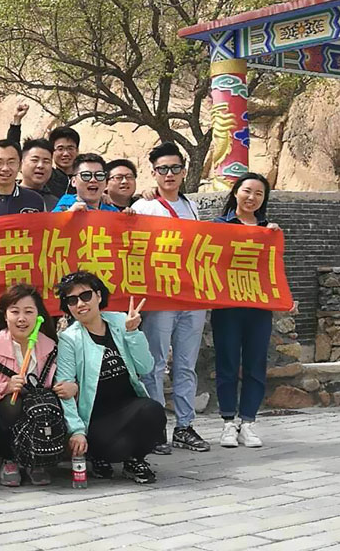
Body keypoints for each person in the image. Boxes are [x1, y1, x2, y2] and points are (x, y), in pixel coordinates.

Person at [131, 142, 210, 454]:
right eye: (163, 169)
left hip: (191, 298)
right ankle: (154, 428)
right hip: (160, 297)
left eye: (175, 168)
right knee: (154, 364)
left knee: (186, 365)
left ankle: (185, 426)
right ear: (153, 173)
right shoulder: (143, 207)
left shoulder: (192, 207)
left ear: (184, 171)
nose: (169, 174)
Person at [55, 271, 165, 484]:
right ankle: (100, 456)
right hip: (96, 416)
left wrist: (133, 333)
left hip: (129, 406)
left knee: (152, 411)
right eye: (72, 300)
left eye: (85, 296)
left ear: (98, 295)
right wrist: (77, 431)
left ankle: (135, 460)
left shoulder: (121, 321)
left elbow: (146, 366)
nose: (80, 304)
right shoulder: (69, 339)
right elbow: (64, 389)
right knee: (114, 448)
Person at [0, 284, 77, 487]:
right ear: (5, 315)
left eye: (28, 312)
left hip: (40, 418)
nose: (21, 318)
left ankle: (38, 460)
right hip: (3, 419)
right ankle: (8, 458)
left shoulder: (51, 346)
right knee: (12, 404)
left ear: (38, 315)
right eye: (15, 312)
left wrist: (73, 388)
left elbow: (66, 380)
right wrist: (5, 388)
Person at [212, 173, 281, 449]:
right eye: (247, 191)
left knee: (255, 365)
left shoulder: (268, 230)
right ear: (235, 192)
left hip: (258, 307)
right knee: (227, 363)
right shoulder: (218, 227)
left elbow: (275, 270)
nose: (251, 197)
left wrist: (284, 298)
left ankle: (248, 422)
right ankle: (228, 423)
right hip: (227, 306)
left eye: (259, 193)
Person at [53, 153, 124, 212]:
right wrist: (67, 216)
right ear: (73, 181)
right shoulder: (64, 207)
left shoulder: (112, 212)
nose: (93, 180)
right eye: (86, 175)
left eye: (99, 175)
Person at [19, 139, 60, 210]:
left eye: (46, 161)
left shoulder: (56, 204)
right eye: (34, 160)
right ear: (20, 165)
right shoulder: (8, 196)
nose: (40, 165)